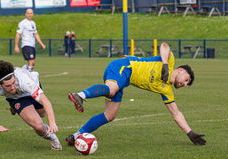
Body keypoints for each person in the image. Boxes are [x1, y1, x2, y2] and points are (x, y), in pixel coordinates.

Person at [66, 43, 206, 146]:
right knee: (112, 89)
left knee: (109, 115)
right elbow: (164, 46)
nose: (185, 84)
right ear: (180, 70)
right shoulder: (169, 63)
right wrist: (164, 64)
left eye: (187, 84)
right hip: (125, 66)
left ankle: (76, 136)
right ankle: (80, 95)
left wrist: (190, 133)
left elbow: (176, 113)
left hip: (124, 80)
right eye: (187, 79)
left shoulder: (166, 90)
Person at [0, 60, 62, 150]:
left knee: (42, 114)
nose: (13, 87)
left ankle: (16, 109)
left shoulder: (23, 79)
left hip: (31, 90)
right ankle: (52, 138)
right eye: (8, 86)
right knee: (38, 126)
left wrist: (52, 122)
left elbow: (45, 101)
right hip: (16, 99)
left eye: (13, 82)